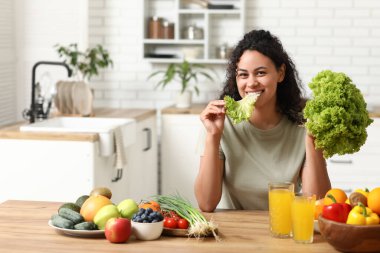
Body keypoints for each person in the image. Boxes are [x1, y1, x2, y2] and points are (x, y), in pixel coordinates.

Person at [194, 29, 331, 212]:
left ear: (280, 73)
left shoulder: (304, 124)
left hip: (284, 228)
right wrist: (213, 136)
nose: (251, 83)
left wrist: (312, 140)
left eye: (260, 73)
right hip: (234, 232)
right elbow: (206, 203)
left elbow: (318, 204)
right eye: (243, 75)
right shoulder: (220, 123)